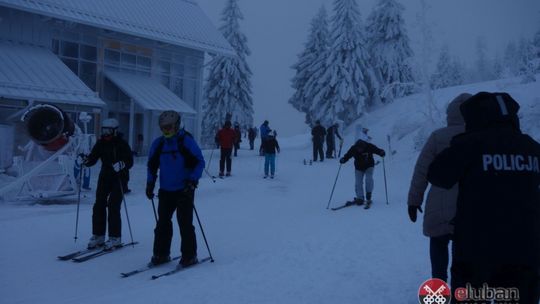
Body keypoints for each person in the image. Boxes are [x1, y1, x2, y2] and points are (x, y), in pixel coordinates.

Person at [427, 92, 540, 303]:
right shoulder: (531, 147)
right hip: (525, 252)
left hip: (475, 252)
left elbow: (438, 175)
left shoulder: (468, 144)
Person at [406, 93, 471, 283]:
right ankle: (462, 290)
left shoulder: (438, 136)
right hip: (471, 205)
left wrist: (414, 200)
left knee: (438, 242)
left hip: (438, 203)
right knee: (464, 249)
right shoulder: (481, 137)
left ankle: (438, 287)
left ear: (450, 114)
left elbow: (421, 170)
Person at [146, 110, 205, 267]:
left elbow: (200, 162)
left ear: (177, 126)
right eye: (163, 127)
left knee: (185, 223)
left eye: (169, 127)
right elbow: (151, 165)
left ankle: (189, 255)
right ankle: (161, 254)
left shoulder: (186, 141)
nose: (166, 130)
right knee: (162, 224)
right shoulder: (158, 144)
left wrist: (192, 180)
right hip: (165, 191)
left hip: (184, 189)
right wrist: (150, 183)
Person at [83, 118, 133, 250]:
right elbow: (93, 158)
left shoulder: (121, 144)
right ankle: (98, 235)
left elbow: (130, 161)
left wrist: (122, 164)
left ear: (115, 131)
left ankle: (115, 237)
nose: (106, 134)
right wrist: (86, 160)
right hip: (105, 175)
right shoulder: (101, 143)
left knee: (113, 205)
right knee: (99, 204)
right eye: (104, 131)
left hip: (119, 177)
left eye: (109, 131)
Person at [339, 139, 385, 208]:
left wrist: (381, 152)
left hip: (369, 166)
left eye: (361, 149)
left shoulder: (369, 146)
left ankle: (368, 195)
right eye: (358, 149)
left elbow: (377, 150)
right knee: (358, 182)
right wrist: (343, 159)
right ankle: (360, 198)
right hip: (358, 167)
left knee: (369, 179)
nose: (359, 150)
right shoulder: (353, 148)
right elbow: (347, 155)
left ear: (364, 147)